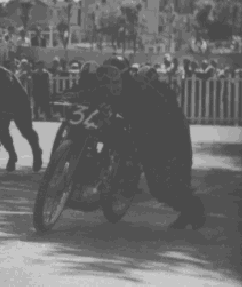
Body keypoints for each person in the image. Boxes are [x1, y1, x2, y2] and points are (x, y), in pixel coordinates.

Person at [77, 57, 205, 229]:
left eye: (115, 76)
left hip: (168, 132)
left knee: (162, 185)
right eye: (106, 74)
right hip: (149, 131)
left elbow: (158, 117)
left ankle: (194, 210)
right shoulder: (104, 88)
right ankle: (188, 209)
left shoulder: (140, 89)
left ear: (124, 75)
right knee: (158, 185)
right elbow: (88, 99)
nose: (110, 81)